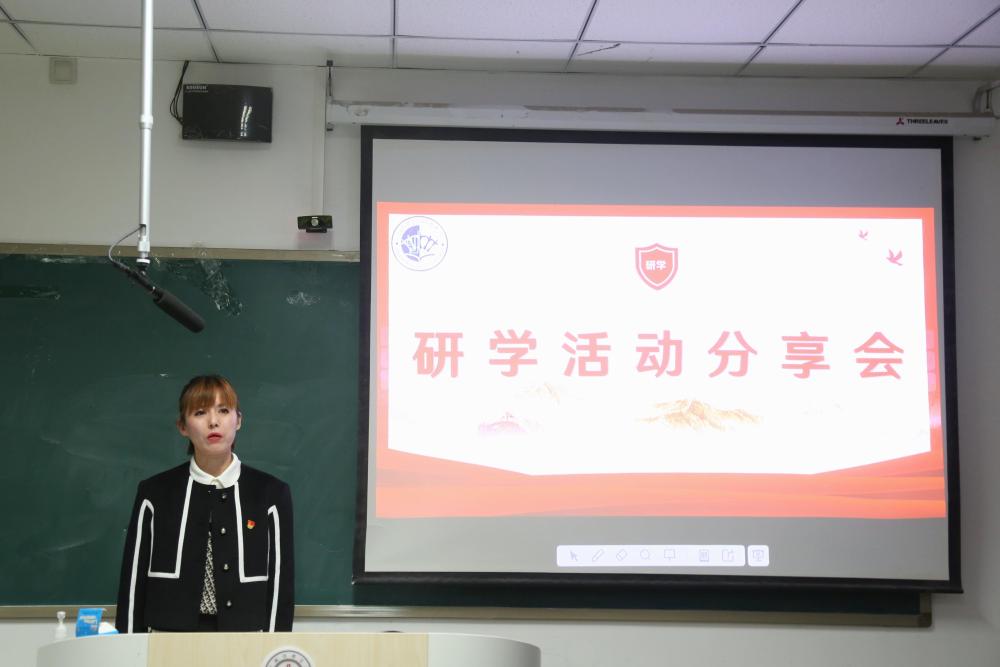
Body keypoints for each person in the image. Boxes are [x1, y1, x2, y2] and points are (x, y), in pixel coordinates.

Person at [115, 375, 294, 633]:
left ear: (239, 420)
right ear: (182, 426)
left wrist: (274, 647)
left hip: (245, 641)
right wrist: (130, 647)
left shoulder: (270, 493)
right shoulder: (155, 492)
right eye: (200, 412)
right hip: (167, 640)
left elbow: (281, 585)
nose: (213, 421)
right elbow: (132, 582)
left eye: (224, 410)